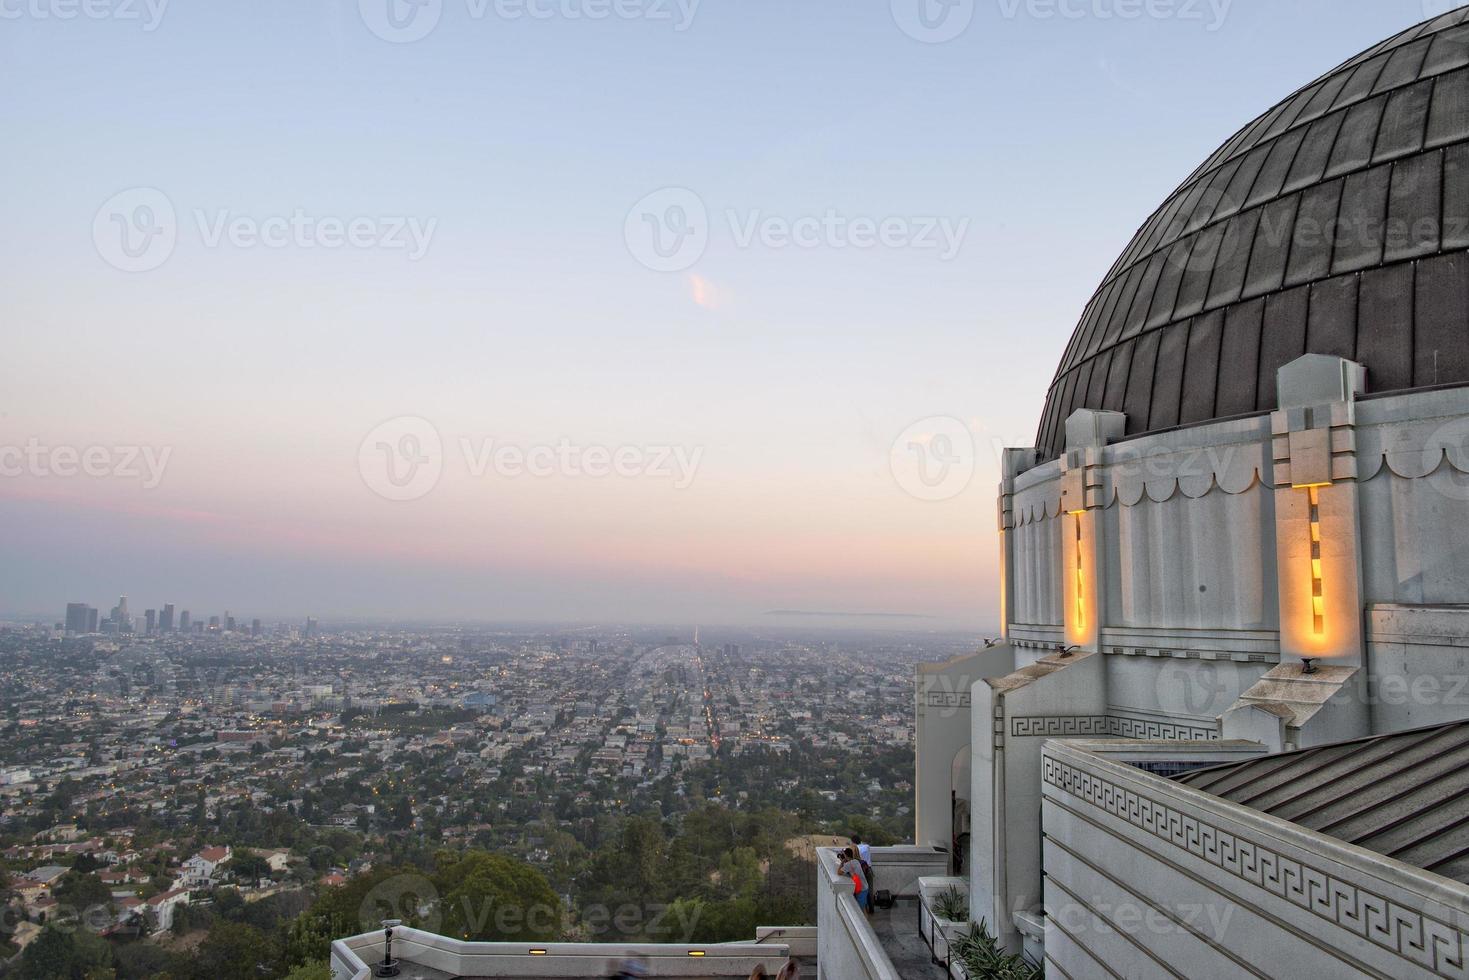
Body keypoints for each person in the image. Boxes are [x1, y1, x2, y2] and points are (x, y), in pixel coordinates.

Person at [838, 847, 870, 913]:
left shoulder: (848, 864)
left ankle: (863, 923)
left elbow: (839, 872)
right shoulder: (856, 861)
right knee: (863, 909)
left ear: (846, 855)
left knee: (861, 911)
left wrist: (842, 863)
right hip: (865, 887)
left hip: (861, 890)